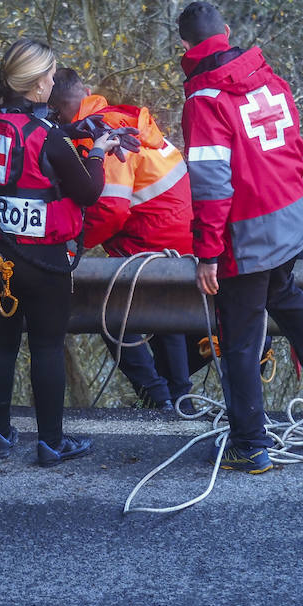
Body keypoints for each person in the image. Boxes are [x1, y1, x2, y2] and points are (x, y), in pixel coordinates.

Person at [177, 2, 303, 474]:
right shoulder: (269, 78)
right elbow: (294, 145)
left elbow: (211, 185)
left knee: (239, 341)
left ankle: (249, 444)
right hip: (287, 217)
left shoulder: (205, 101)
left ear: (184, 48)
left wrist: (207, 252)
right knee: (282, 291)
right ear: (227, 30)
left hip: (245, 233)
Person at [0, 39, 123, 467]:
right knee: (46, 347)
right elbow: (86, 192)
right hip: (41, 261)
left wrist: (69, 134)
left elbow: (12, 165)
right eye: (49, 75)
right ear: (34, 86)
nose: (53, 81)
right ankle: (50, 442)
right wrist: (98, 153)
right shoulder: (43, 135)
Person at [48, 68, 196, 414]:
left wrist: (73, 246)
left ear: (55, 109)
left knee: (109, 309)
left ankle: (156, 396)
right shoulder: (116, 117)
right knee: (164, 315)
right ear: (85, 90)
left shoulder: (98, 133)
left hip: (154, 239)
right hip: (178, 236)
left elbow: (110, 211)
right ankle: (179, 398)